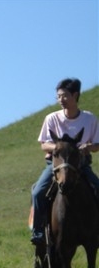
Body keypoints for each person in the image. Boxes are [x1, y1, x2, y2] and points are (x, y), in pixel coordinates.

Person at [30, 78, 99, 245]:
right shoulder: (51, 119)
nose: (61, 100)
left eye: (64, 96)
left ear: (75, 95)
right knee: (37, 192)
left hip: (81, 165)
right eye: (58, 97)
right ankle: (38, 231)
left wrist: (88, 148)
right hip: (56, 166)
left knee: (98, 188)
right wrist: (58, 149)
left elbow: (97, 145)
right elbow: (44, 144)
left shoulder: (89, 119)